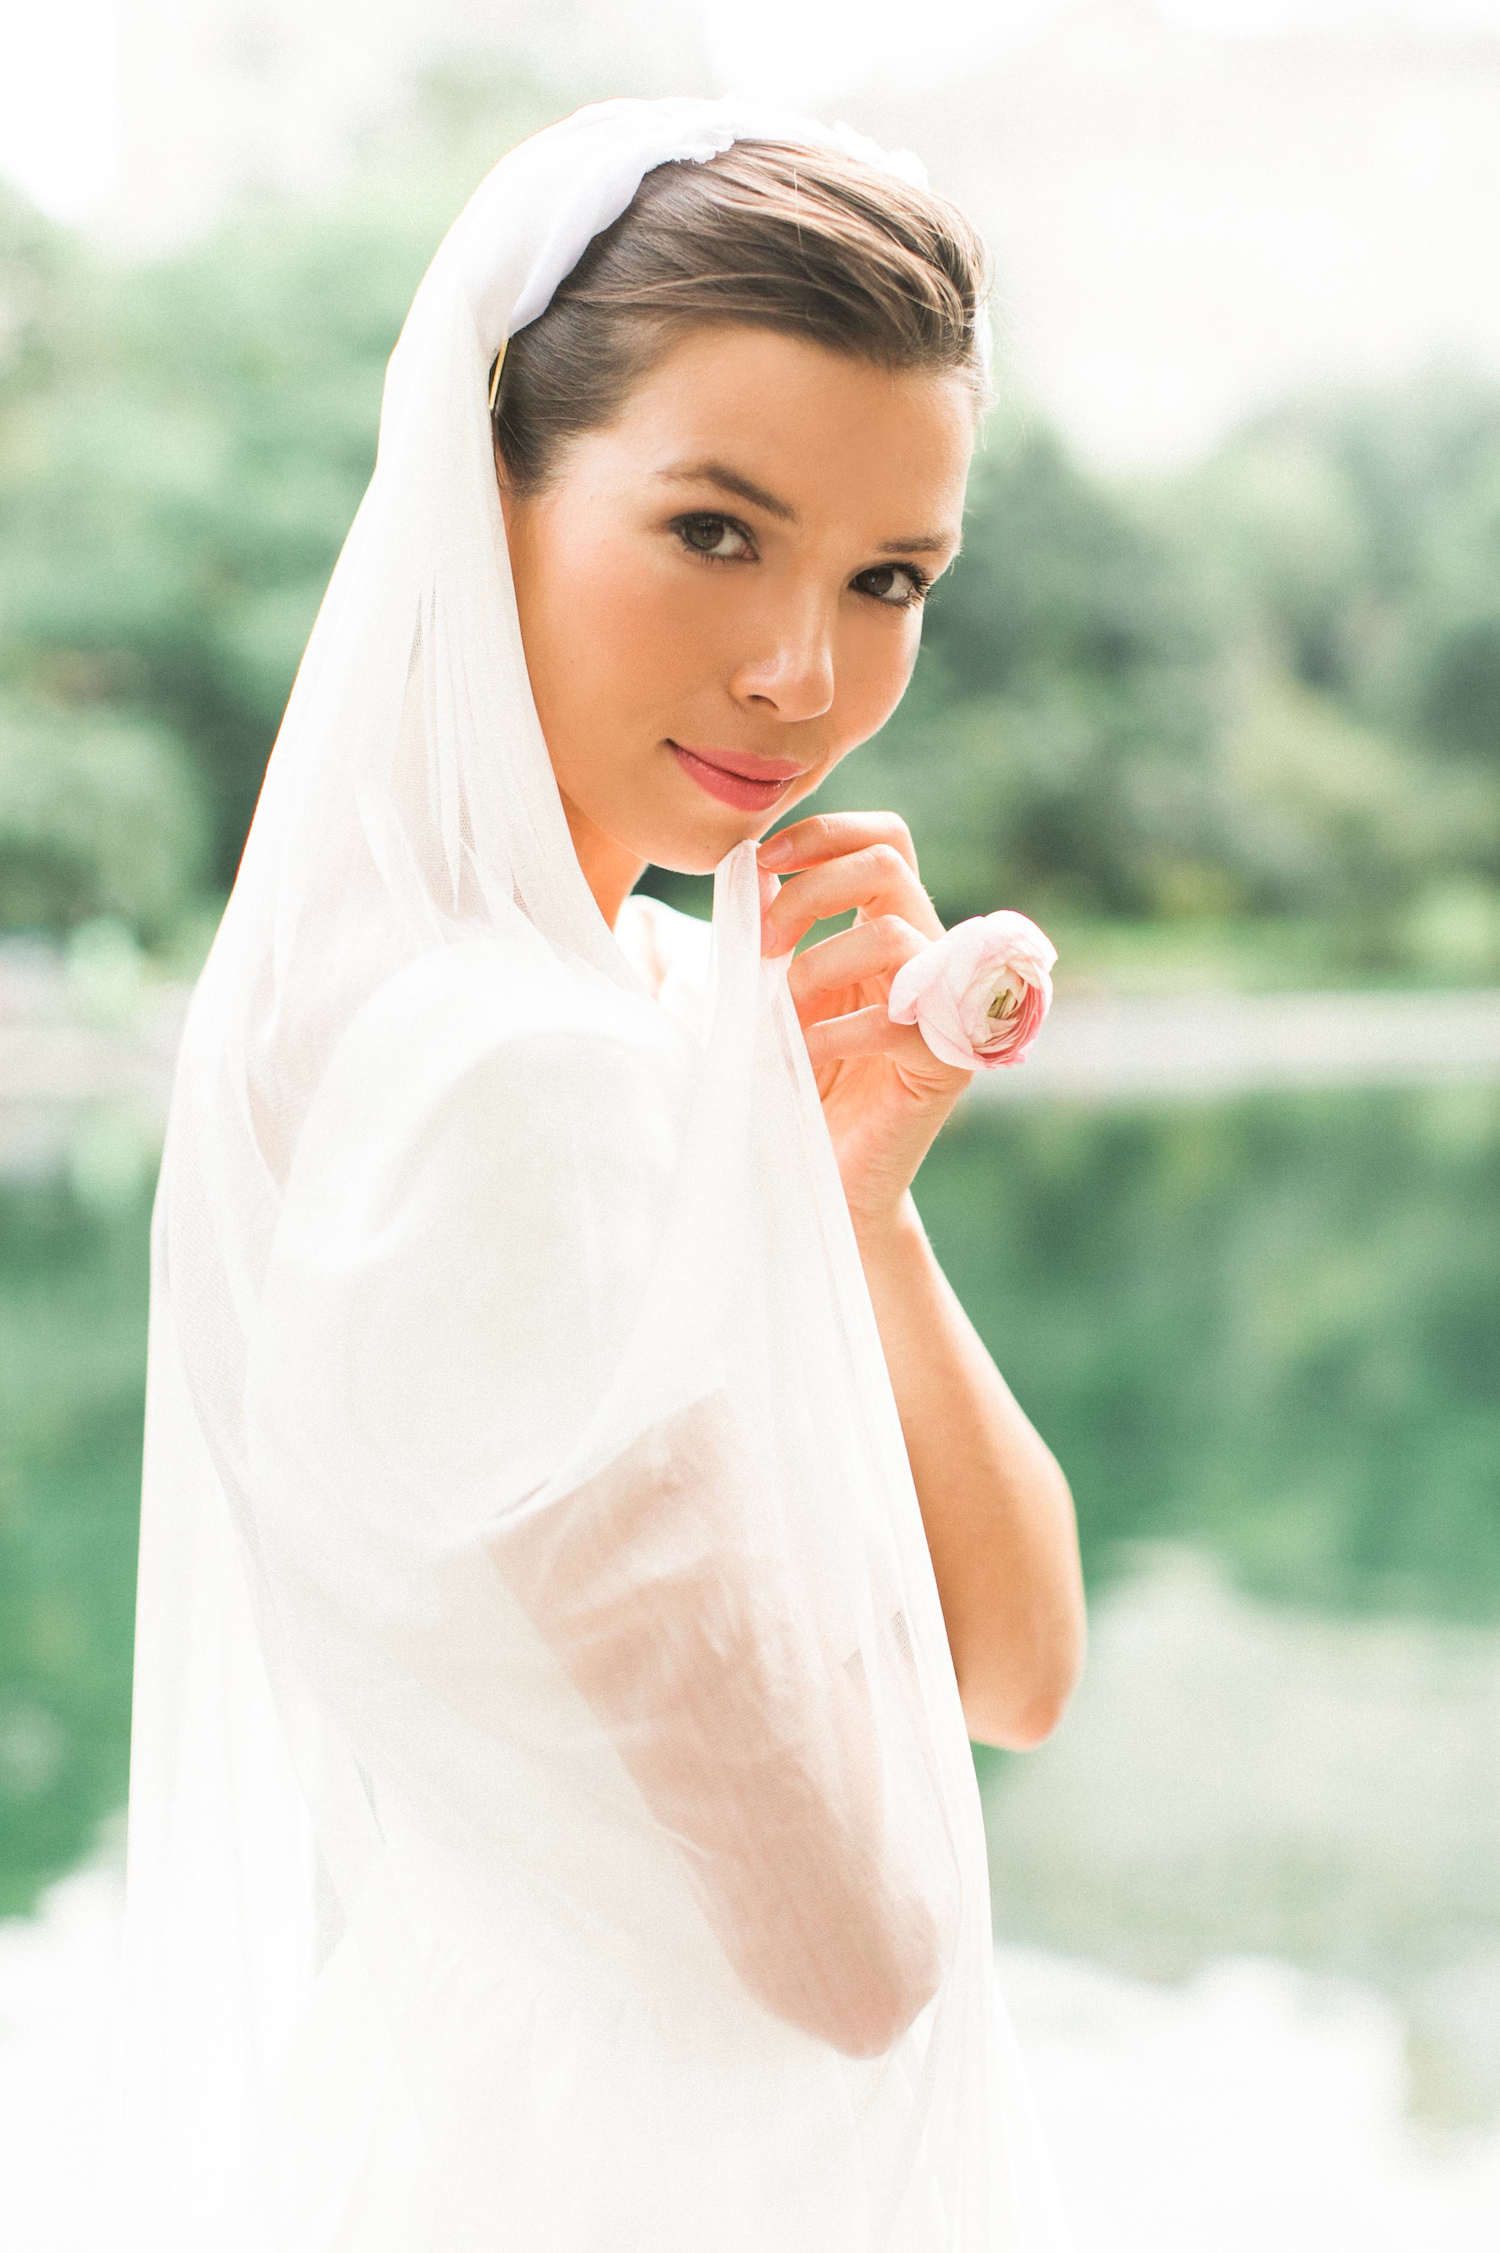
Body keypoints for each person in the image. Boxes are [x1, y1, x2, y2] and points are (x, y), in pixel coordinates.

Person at [96, 97, 1085, 2251]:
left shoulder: (557, 998)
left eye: (887, 578)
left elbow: (1015, 1668)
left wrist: (850, 1215)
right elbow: (863, 1944)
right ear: (494, 484)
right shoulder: (512, 1081)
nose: (801, 675)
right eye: (716, 530)